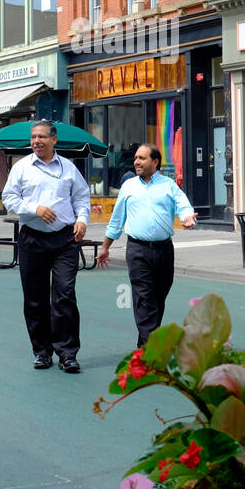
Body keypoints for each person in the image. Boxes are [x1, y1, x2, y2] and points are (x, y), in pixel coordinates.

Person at [1, 121, 90, 373]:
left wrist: (82, 220)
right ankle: (41, 351)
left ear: (54, 140)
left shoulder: (69, 169)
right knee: (35, 298)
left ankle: (68, 354)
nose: (36, 141)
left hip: (65, 240)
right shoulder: (21, 168)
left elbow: (82, 197)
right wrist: (34, 209)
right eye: (33, 137)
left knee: (64, 295)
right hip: (32, 238)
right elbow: (8, 198)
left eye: (41, 137)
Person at [98, 144, 196, 346]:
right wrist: (105, 246)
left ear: (155, 162)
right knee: (144, 297)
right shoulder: (129, 186)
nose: (136, 162)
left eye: (142, 158)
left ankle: (145, 343)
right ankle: (151, 348)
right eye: (135, 158)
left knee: (158, 297)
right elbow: (117, 219)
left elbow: (183, 205)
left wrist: (187, 217)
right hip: (137, 250)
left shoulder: (168, 185)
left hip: (164, 250)